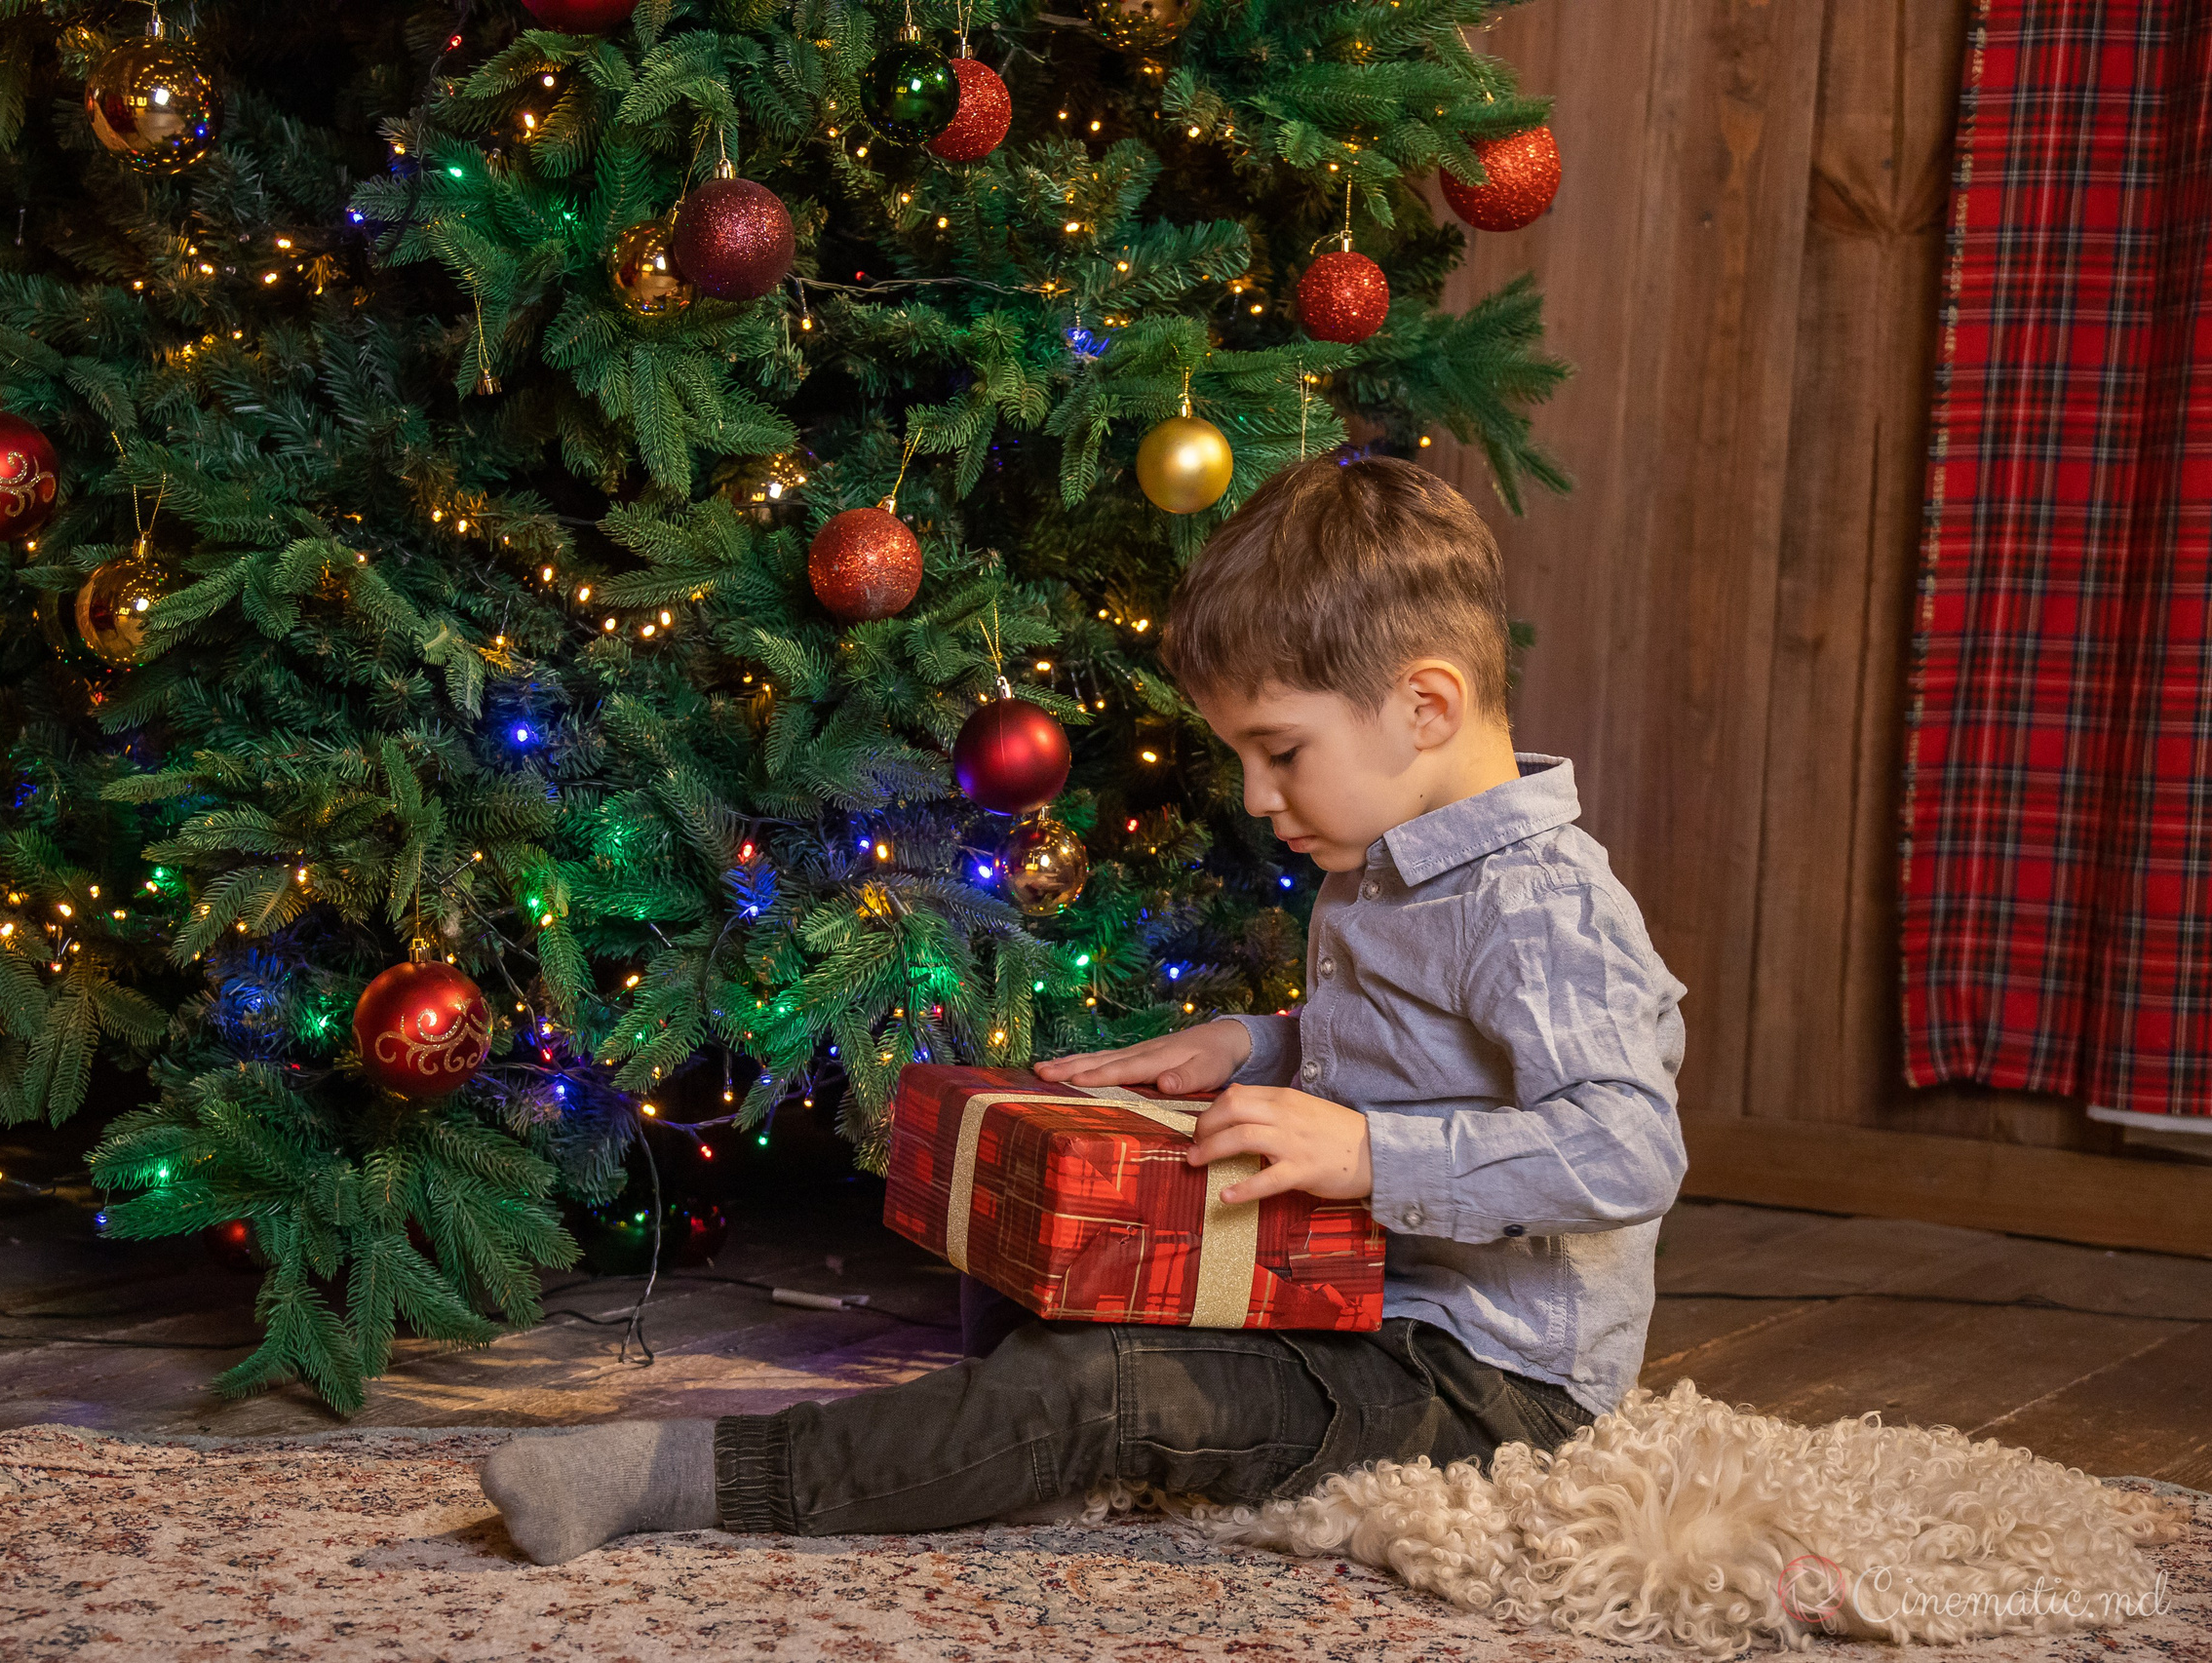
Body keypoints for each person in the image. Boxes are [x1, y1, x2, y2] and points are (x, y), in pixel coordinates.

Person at [480, 454, 1689, 1565]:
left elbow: (1628, 1146)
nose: (1259, 797)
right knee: (1045, 1242)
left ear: (1425, 706)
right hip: (1344, 1288)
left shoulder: (1540, 907)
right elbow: (1416, 1047)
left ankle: (695, 1472)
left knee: (1102, 1385)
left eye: (1280, 750)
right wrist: (1248, 1045)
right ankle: (997, 1436)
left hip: (1485, 1377)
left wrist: (1369, 1152)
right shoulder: (1379, 851)